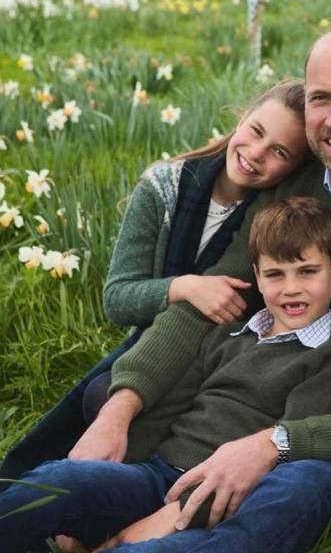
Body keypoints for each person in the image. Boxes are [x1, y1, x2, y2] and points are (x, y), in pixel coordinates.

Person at [61, 25, 331, 552]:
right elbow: (210, 303)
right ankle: (119, 505)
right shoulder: (292, 189)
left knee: (292, 488)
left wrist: (273, 445)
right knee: (105, 404)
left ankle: (150, 536)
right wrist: (118, 411)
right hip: (251, 415)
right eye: (320, 99)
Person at [0, 196, 331, 552]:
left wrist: (171, 516)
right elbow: (165, 412)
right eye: (275, 274)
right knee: (59, 480)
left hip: (218, 505)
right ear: (257, 276)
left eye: (308, 271)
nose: (291, 288)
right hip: (155, 476)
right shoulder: (227, 336)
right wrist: (106, 474)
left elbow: (281, 461)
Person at [0, 80, 310, 485]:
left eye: (280, 152)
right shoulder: (163, 187)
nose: (256, 153)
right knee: (100, 396)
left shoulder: (272, 215)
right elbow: (117, 298)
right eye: (256, 131)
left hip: (219, 359)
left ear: (294, 168)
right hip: (155, 346)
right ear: (242, 119)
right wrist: (183, 287)